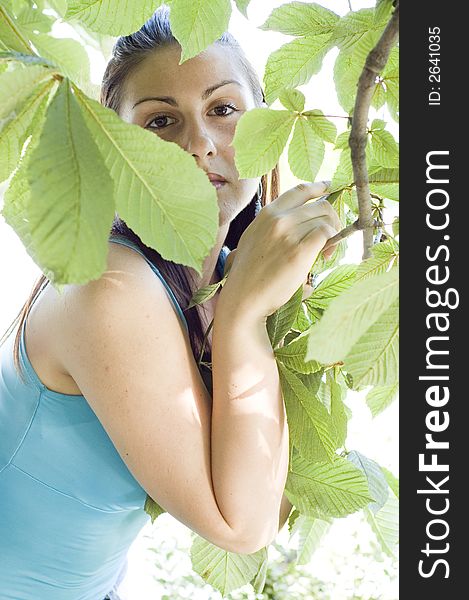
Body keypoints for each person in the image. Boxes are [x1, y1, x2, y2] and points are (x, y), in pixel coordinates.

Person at [0, 5, 341, 599]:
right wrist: (243, 319)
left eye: (224, 109)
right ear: (115, 148)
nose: (199, 143)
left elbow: (269, 491)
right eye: (161, 121)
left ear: (267, 132)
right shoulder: (108, 288)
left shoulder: (223, 280)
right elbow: (243, 526)